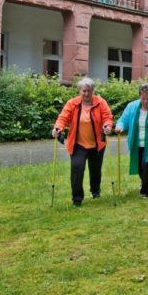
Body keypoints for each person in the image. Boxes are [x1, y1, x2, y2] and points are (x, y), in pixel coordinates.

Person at [52, 77, 114, 206]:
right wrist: (58, 128)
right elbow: (63, 118)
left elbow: (107, 117)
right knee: (77, 167)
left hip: (97, 143)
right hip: (78, 143)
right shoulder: (72, 103)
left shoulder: (100, 102)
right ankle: (77, 199)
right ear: (80, 90)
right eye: (84, 91)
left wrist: (108, 126)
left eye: (89, 91)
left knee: (95, 169)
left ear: (93, 91)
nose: (86, 94)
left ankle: (95, 190)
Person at [114, 83, 148, 198]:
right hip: (136, 142)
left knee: (147, 165)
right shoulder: (132, 106)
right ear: (139, 96)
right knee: (139, 167)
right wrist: (120, 126)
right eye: (143, 98)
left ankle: (145, 190)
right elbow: (123, 120)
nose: (145, 101)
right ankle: (144, 182)